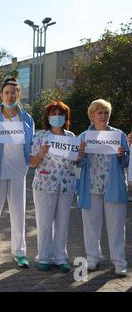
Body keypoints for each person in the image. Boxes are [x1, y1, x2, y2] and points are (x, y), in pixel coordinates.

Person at [0, 77, 34, 268]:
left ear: (19, 95)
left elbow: (32, 143)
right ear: (1, 95)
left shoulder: (26, 118)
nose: (10, 96)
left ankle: (19, 253)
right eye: (7, 92)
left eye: (14, 92)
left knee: (18, 214)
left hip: (18, 171)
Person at [76, 99, 129, 277]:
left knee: (116, 225)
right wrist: (80, 154)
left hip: (114, 186)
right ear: (92, 115)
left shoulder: (119, 135)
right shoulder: (83, 136)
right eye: (99, 112)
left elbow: (127, 161)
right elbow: (77, 163)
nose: (103, 116)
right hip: (90, 187)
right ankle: (92, 257)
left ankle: (119, 262)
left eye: (106, 112)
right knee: (91, 224)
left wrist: (123, 154)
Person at [29, 101, 78, 273]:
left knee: (63, 223)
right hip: (44, 185)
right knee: (44, 223)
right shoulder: (40, 136)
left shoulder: (72, 137)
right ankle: (43, 257)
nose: (57, 117)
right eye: (53, 114)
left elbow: (77, 162)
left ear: (65, 118)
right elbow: (32, 164)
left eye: (60, 114)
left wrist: (79, 156)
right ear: (48, 117)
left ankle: (60, 257)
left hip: (65, 186)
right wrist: (41, 153)